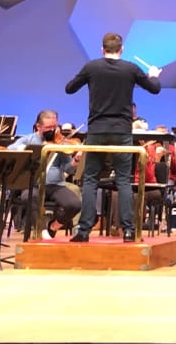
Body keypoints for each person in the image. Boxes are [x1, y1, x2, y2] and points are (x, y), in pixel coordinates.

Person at [64, 32, 162, 242]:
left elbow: (69, 89)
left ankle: (83, 230)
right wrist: (153, 74)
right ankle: (128, 230)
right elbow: (154, 89)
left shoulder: (92, 67)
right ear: (122, 49)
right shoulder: (131, 69)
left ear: (102, 50)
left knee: (90, 179)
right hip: (121, 131)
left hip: (98, 129)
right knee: (124, 180)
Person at [9, 110, 82, 238]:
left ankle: (53, 226)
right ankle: (41, 230)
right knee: (30, 197)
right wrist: (27, 149)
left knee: (74, 204)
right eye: (48, 128)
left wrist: (75, 161)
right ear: (38, 126)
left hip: (55, 185)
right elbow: (11, 149)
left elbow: (68, 169)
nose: (52, 131)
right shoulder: (29, 139)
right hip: (33, 185)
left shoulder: (59, 143)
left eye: (54, 127)